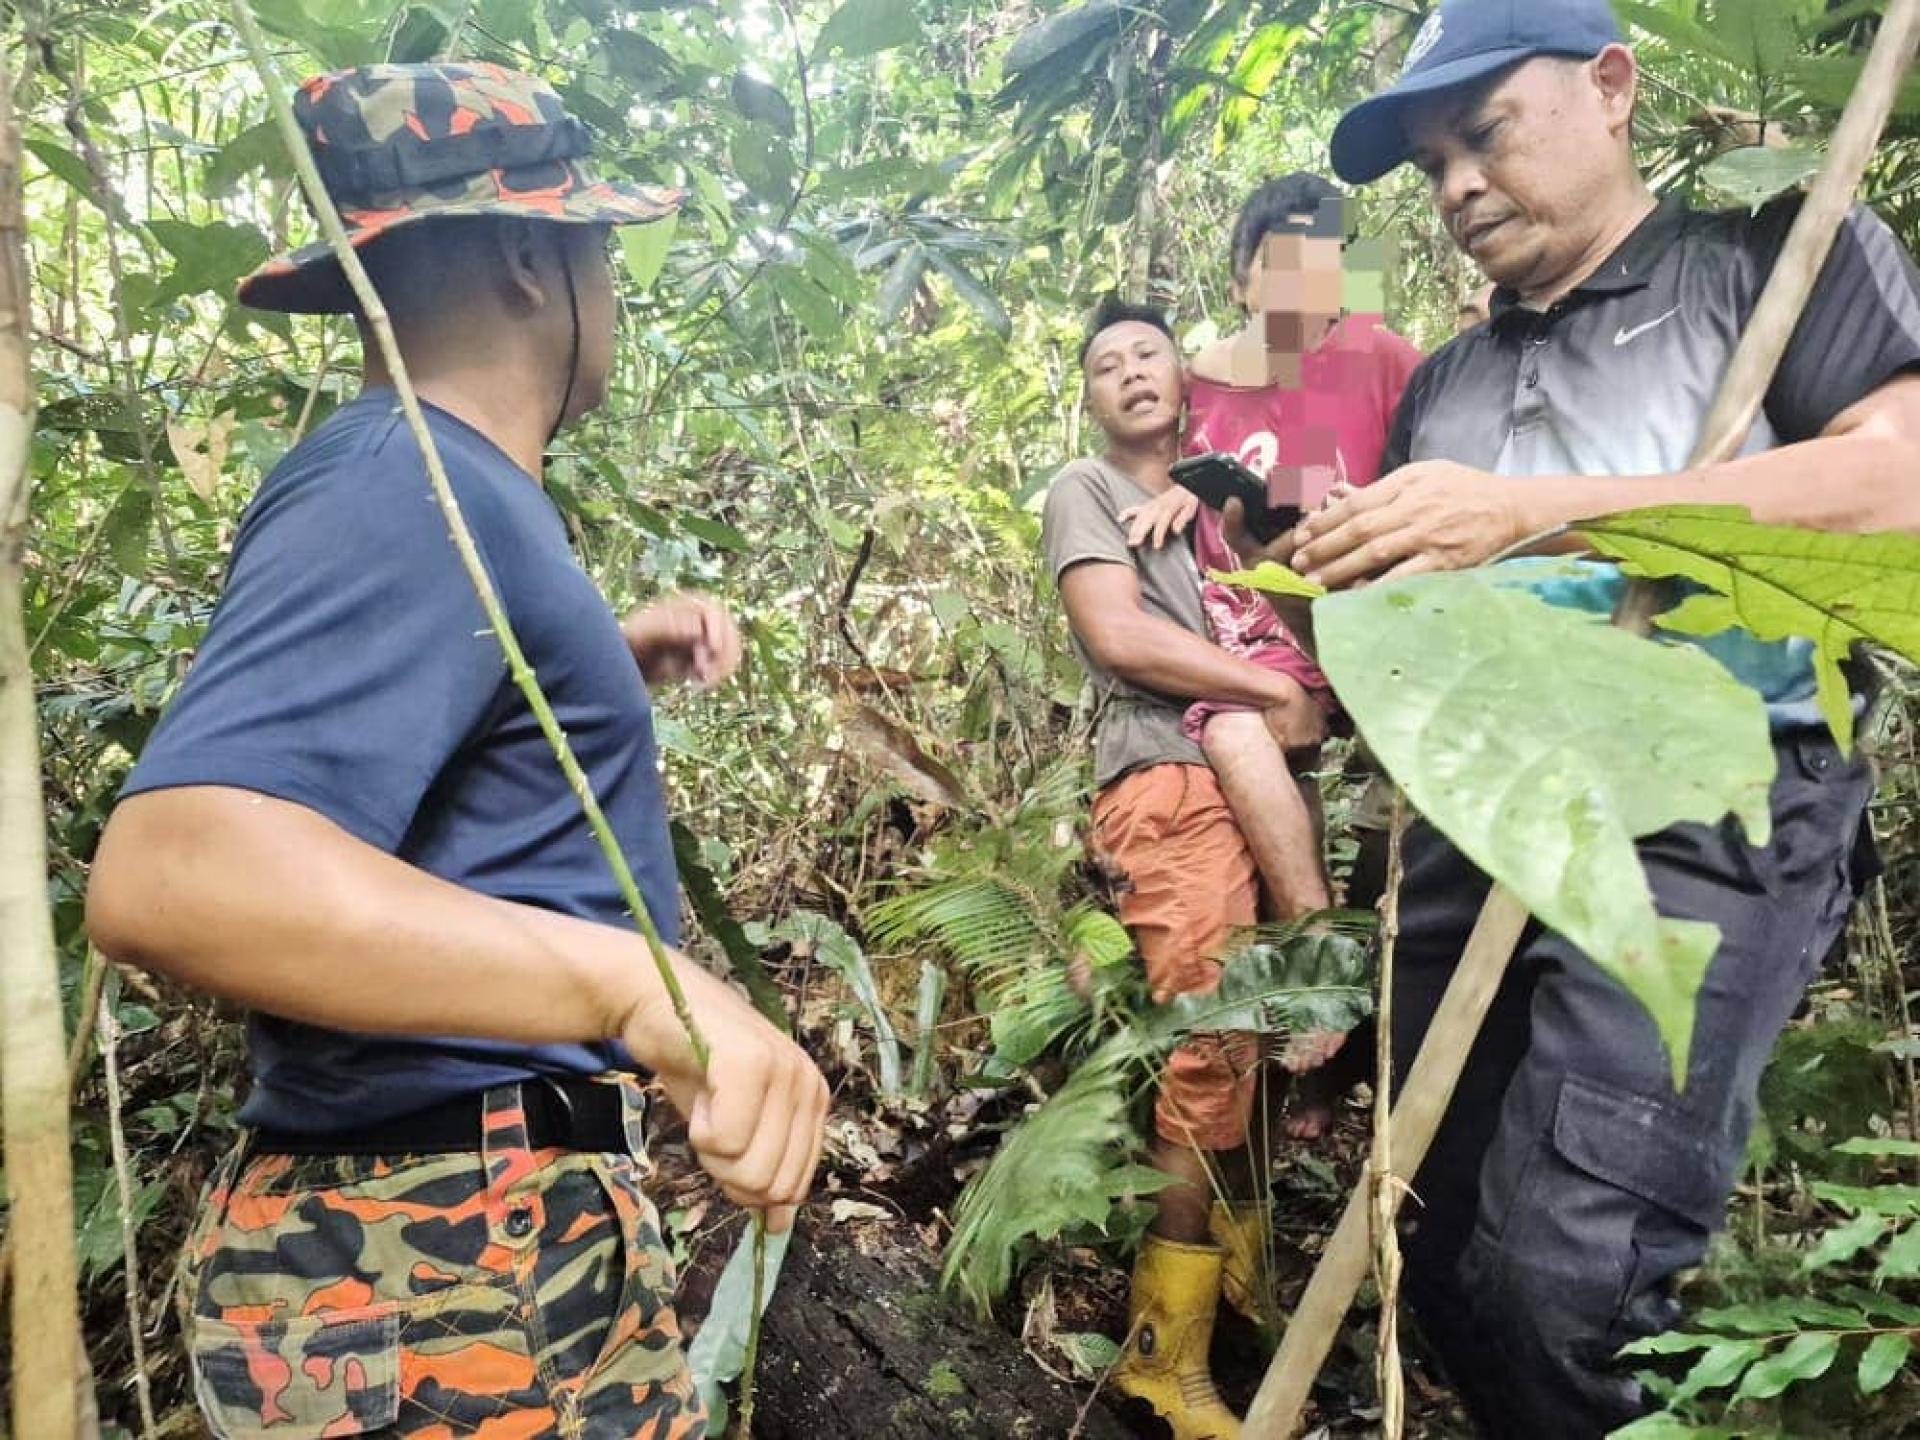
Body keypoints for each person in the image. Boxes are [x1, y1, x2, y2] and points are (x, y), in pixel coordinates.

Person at [85, 63, 828, 1439]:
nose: (612, 289)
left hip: (475, 1227)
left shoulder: (453, 494)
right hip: (435, 1246)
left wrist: (600, 655)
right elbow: (175, 872)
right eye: (601, 249)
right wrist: (635, 985)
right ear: (532, 256)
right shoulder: (397, 478)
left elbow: (433, 810)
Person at [1226, 3, 1919, 1435]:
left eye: (1483, 136)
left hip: (1706, 811)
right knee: (1425, 1224)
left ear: (1612, 89)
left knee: (1574, 1279)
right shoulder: (1448, 384)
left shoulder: (1770, 258)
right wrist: (1324, 594)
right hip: (1473, 820)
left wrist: (1539, 517)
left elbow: (1897, 495)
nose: (1459, 187)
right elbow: (1400, 669)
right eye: (1431, 168)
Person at [1045, 298, 1345, 1439]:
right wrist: (1266, 688)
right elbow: (1116, 634)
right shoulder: (1092, 490)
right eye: (1105, 363)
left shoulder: (1226, 490)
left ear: (1184, 377)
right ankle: (1160, 1362)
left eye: (1148, 356)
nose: (1129, 374)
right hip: (1172, 778)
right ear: (1088, 397)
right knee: (1213, 1052)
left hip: (1271, 784)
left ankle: (1241, 1312)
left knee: (1271, 1051)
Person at [1122, 174, 1425, 1136]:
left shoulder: (1382, 359)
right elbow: (1176, 479)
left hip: (1376, 612)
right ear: (1245, 279)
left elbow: (1438, 454)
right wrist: (1178, 494)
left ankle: (1347, 1038)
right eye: (1273, 263)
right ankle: (1316, 951)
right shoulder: (1206, 378)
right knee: (1240, 726)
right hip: (1255, 620)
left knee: (1398, 848)